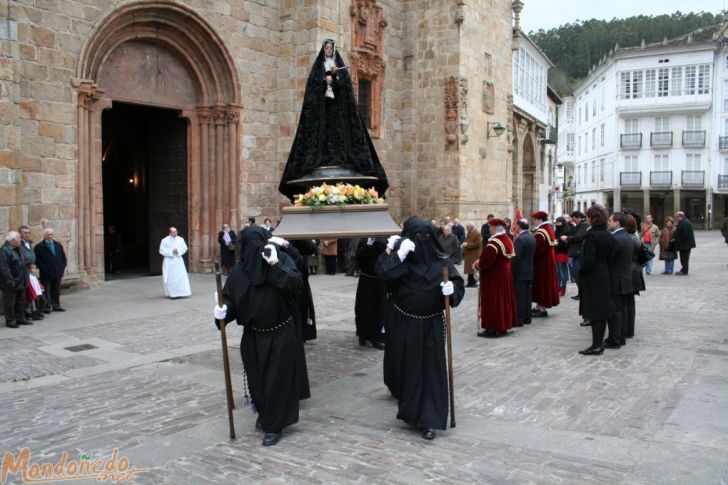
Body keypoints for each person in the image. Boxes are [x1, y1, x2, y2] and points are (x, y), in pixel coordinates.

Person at [213, 226, 307, 447]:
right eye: (248, 247)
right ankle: (265, 414)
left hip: (281, 333)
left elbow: (295, 284)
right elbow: (231, 298)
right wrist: (223, 311)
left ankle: (275, 424)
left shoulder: (280, 260)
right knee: (258, 381)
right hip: (253, 335)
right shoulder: (239, 272)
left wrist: (274, 265)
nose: (253, 252)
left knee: (277, 381)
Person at [376, 217, 464, 440]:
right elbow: (383, 274)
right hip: (405, 324)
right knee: (411, 369)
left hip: (432, 323)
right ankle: (412, 412)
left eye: (426, 237)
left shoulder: (441, 262)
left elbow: (457, 283)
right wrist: (398, 255)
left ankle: (429, 418)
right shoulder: (403, 260)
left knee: (431, 369)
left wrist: (452, 289)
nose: (422, 241)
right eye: (417, 237)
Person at [278, 39, 389, 201]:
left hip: (339, 113)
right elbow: (312, 89)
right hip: (321, 113)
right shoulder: (318, 69)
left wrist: (335, 81)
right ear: (324, 50)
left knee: (340, 135)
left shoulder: (339, 67)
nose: (328, 50)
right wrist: (324, 82)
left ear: (334, 49)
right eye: (326, 47)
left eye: (331, 47)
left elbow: (346, 90)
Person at [577, 205, 614, 356]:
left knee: (595, 310)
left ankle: (597, 345)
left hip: (593, 275)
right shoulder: (607, 234)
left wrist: (581, 271)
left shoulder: (592, 235)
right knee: (601, 310)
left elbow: (589, 259)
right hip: (604, 272)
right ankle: (598, 343)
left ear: (593, 219)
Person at [475, 218, 518, 337]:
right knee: (503, 301)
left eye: (490, 227)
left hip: (493, 278)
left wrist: (477, 264)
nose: (489, 229)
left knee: (493, 302)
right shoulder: (507, 239)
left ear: (494, 228)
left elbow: (485, 262)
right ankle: (502, 326)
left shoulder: (494, 243)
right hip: (504, 277)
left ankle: (493, 327)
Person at [274, 237, 318, 343]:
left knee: (301, 307)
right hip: (288, 275)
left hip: (298, 274)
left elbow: (311, 249)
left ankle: (301, 332)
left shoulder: (300, 236)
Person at [604, 212, 633, 349]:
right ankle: (620, 336)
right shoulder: (627, 237)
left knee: (614, 311)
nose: (608, 222)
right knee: (621, 310)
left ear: (617, 223)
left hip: (615, 279)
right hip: (624, 278)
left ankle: (614, 339)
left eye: (610, 220)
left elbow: (609, 259)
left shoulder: (615, 239)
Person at [354, 237, 387, 349]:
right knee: (363, 308)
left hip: (379, 279)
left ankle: (376, 336)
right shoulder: (364, 241)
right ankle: (363, 334)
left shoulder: (384, 241)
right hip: (366, 279)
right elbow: (358, 258)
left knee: (379, 309)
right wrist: (368, 245)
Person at [530, 211, 560, 317]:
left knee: (541, 284)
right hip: (547, 262)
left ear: (540, 220)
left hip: (542, 263)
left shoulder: (541, 232)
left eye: (534, 220)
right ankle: (538, 305)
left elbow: (537, 250)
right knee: (541, 284)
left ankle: (542, 308)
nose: (533, 222)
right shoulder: (548, 228)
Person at [1, 232, 30, 328]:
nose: (20, 240)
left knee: (21, 301)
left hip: (21, 280)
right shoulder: (5, 250)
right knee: (10, 303)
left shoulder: (19, 248)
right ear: (13, 240)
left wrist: (26, 277)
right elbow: (4, 268)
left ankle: (20, 318)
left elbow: (24, 263)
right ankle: (10, 321)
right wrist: (10, 280)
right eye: (18, 238)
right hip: (11, 282)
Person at [33, 228, 67, 312]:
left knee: (56, 290)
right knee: (46, 291)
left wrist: (61, 268)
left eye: (52, 234)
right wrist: (44, 268)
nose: (50, 236)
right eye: (48, 234)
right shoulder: (39, 247)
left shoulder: (58, 245)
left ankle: (56, 305)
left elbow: (63, 258)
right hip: (46, 273)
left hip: (57, 272)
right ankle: (47, 307)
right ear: (44, 235)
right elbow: (37, 261)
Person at [511, 219, 535, 327]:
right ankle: (527, 317)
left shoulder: (520, 239)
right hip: (529, 270)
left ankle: (519, 319)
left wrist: (511, 272)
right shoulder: (531, 236)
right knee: (527, 296)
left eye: (515, 225)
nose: (514, 227)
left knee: (520, 296)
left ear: (519, 226)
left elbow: (516, 258)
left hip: (521, 272)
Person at [624, 214, 645, 340]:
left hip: (629, 272)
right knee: (629, 302)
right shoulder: (634, 237)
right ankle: (629, 328)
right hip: (635, 271)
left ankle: (627, 329)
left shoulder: (630, 239)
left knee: (627, 302)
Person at [159, 227, 191, 299]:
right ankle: (172, 294)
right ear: (169, 233)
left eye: (176, 232)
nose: (175, 233)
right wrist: (171, 251)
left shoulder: (180, 239)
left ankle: (181, 293)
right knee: (171, 277)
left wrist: (178, 250)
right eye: (173, 232)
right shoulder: (164, 240)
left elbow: (185, 248)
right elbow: (161, 250)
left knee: (180, 276)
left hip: (178, 260)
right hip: (169, 261)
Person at [561, 210, 587, 300]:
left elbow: (579, 236)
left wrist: (567, 238)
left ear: (579, 218)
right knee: (575, 273)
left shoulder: (584, 225)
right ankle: (580, 293)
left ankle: (582, 293)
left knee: (577, 273)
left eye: (574, 219)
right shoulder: (581, 225)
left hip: (578, 253)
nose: (573, 221)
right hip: (576, 253)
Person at [461, 221, 483, 288]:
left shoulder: (477, 233)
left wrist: (467, 244)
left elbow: (478, 244)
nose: (467, 229)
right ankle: (469, 283)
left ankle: (473, 283)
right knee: (469, 269)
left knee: (473, 269)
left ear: (471, 227)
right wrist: (464, 244)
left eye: (467, 227)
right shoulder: (469, 232)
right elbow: (466, 240)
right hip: (468, 253)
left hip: (474, 254)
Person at [554, 217, 570, 296]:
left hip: (562, 253)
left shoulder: (566, 230)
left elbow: (566, 243)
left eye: (559, 223)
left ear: (562, 223)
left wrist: (558, 243)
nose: (557, 224)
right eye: (557, 222)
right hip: (556, 253)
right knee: (557, 272)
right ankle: (557, 288)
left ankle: (562, 289)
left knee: (561, 272)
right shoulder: (556, 230)